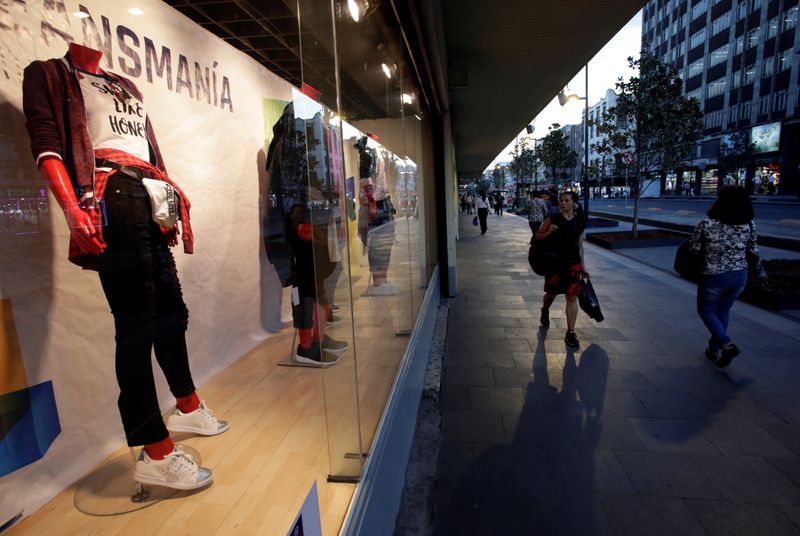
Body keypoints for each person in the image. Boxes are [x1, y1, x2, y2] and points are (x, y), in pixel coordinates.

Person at [22, 43, 226, 491]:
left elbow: (148, 149)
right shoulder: (51, 72)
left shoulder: (124, 84)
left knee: (172, 315)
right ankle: (153, 449)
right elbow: (47, 142)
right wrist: (73, 208)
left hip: (147, 197)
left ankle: (188, 406)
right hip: (109, 197)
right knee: (136, 326)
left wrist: (166, 204)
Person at [689, 186, 758, 368]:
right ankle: (714, 349)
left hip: (713, 275)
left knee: (706, 311)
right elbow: (753, 251)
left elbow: (693, 250)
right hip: (739, 276)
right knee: (723, 311)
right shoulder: (749, 225)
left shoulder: (707, 224)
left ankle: (726, 343)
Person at [536, 191, 587, 348]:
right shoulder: (553, 218)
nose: (562, 203)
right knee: (550, 294)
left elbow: (580, 245)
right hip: (555, 265)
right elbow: (537, 236)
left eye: (566, 200)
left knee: (572, 297)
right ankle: (545, 309)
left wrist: (583, 267)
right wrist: (548, 231)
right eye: (561, 200)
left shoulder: (578, 221)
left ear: (574, 203)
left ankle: (570, 333)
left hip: (573, 264)